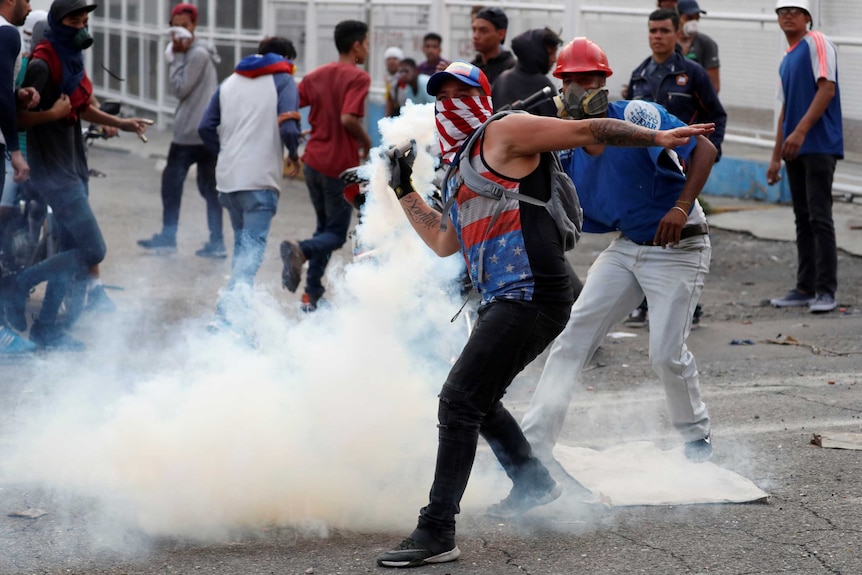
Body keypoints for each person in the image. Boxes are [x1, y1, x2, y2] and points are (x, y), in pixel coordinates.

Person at [376, 60, 714, 568]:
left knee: (458, 400)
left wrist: (658, 138)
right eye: (441, 95)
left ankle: (437, 529)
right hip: (509, 296)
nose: (451, 103)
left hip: (533, 292)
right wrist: (403, 189)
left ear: (482, 95)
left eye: (461, 92)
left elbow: (585, 129)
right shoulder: (461, 165)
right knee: (480, 401)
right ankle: (534, 484)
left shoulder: (505, 131)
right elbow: (444, 242)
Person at [520, 38, 716, 480]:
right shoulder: (566, 145)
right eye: (569, 80)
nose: (577, 87)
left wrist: (681, 206)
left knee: (665, 353)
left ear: (604, 81)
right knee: (571, 340)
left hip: (679, 245)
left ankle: (695, 437)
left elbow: (704, 149)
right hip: (628, 246)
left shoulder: (635, 115)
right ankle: (532, 449)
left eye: (587, 78)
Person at [3, 0, 148, 349]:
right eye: (73, 18)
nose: (81, 25)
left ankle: (48, 329)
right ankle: (21, 283)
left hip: (74, 164)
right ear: (57, 20)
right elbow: (17, 117)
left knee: (69, 247)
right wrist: (52, 114)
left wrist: (122, 123)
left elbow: (82, 106)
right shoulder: (42, 63)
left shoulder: (71, 57)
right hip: (53, 170)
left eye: (84, 18)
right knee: (93, 249)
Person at [624, 7, 726, 327]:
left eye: (664, 31)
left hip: (682, 170)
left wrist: (711, 153)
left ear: (676, 32)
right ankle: (644, 304)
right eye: (653, 31)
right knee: (645, 232)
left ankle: (689, 309)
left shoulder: (692, 73)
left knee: (680, 235)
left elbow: (716, 115)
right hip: (647, 172)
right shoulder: (639, 75)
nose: (657, 36)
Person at [198, 36, 301, 340]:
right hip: (259, 181)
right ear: (285, 57)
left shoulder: (229, 82)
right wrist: (293, 154)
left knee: (242, 253)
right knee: (250, 256)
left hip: (228, 181)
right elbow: (289, 126)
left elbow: (205, 127)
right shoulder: (282, 80)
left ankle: (237, 320)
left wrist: (229, 149)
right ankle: (225, 320)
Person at [279, 20, 371, 313]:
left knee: (324, 229)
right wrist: (367, 143)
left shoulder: (317, 74)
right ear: (356, 45)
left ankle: (312, 294)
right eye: (366, 43)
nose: (367, 49)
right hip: (338, 168)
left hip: (314, 161)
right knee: (335, 234)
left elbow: (293, 103)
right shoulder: (358, 78)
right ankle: (301, 250)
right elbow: (347, 118)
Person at [767, 0, 842, 314]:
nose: (787, 16)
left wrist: (800, 132)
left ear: (807, 17)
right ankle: (804, 287)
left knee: (819, 216)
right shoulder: (787, 57)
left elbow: (827, 89)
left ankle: (826, 290)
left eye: (794, 12)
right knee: (802, 218)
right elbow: (784, 110)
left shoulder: (817, 42)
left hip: (819, 145)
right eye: (782, 12)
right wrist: (775, 157)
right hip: (794, 150)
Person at [137, 3, 224, 258]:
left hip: (191, 133)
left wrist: (175, 58)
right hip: (202, 131)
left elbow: (179, 89)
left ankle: (171, 237)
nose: (178, 33)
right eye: (174, 27)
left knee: (177, 184)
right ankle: (214, 241)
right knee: (206, 188)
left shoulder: (195, 53)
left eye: (184, 27)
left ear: (194, 26)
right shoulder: (197, 51)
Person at [0, 0, 40, 354]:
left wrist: (17, 95)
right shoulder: (7, 32)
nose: (29, 6)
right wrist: (14, 150)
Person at [492, 27, 562, 117]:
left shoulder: (501, 79)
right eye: (551, 53)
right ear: (538, 52)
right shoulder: (544, 86)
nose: (554, 59)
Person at [677, 0, 720, 92]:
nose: (693, 22)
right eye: (689, 18)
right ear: (678, 17)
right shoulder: (670, 43)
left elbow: (714, 86)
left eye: (697, 18)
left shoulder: (706, 43)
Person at [469, 6, 514, 85]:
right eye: (474, 30)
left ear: (501, 34)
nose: (475, 36)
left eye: (483, 31)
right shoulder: (471, 68)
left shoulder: (511, 69)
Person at [382, 45, 403, 118]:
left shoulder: (405, 77)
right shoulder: (388, 79)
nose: (391, 61)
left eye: (395, 59)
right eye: (389, 59)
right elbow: (389, 98)